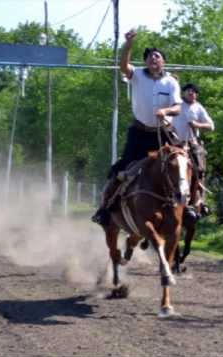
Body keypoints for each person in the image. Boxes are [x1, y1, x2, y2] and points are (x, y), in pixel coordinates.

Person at [92, 29, 183, 226]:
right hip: (139, 132)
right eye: (149, 56)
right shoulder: (137, 75)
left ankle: (192, 206)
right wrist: (128, 44)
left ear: (163, 62)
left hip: (162, 132)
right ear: (146, 62)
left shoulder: (171, 83)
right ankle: (106, 208)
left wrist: (165, 111)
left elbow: (177, 108)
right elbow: (123, 65)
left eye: (157, 56)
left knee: (183, 163)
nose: (153, 58)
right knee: (122, 168)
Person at [172, 83, 215, 219]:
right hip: (174, 142)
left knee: (199, 168)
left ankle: (199, 200)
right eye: (189, 92)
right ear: (183, 93)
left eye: (194, 92)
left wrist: (197, 125)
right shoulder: (176, 104)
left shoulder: (198, 107)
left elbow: (211, 126)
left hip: (191, 143)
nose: (192, 94)